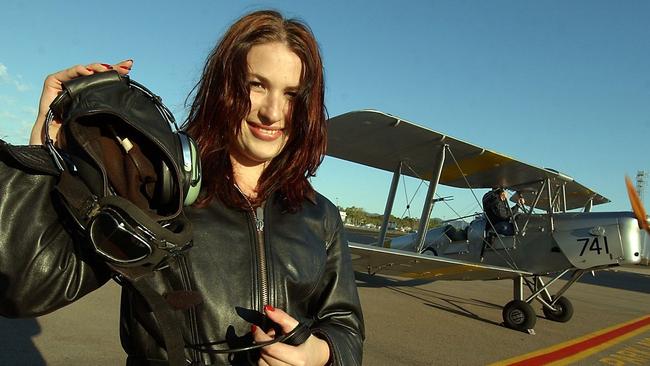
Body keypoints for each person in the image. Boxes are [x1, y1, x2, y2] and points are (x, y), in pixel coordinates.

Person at [6, 10, 364, 366]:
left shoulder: (321, 216)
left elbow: (345, 327)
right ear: (223, 87)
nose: (273, 112)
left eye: (291, 93)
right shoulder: (159, 188)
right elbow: (24, 288)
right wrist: (44, 149)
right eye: (256, 85)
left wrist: (315, 354)